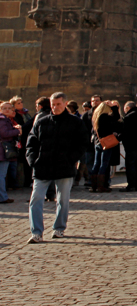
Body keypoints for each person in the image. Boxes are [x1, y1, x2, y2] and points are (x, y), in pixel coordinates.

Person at [25, 92, 90, 242]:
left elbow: (82, 142)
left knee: (62, 200)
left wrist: (71, 158)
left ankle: (59, 228)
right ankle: (36, 232)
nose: (55, 107)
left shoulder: (75, 122)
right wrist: (33, 160)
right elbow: (31, 142)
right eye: (53, 105)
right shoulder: (42, 121)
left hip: (64, 166)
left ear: (65, 104)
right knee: (36, 199)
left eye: (58, 104)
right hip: (42, 166)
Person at [89, 101, 121, 193]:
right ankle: (101, 186)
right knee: (104, 164)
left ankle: (93, 185)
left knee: (96, 164)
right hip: (106, 143)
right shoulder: (105, 117)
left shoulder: (96, 117)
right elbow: (117, 117)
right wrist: (114, 107)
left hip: (98, 143)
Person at [0, 101, 23, 203]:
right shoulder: (3, 120)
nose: (7, 110)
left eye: (9, 108)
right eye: (5, 108)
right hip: (3, 151)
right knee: (2, 175)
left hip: (3, 150)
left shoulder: (6, 120)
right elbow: (4, 133)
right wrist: (17, 131)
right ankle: (3, 197)